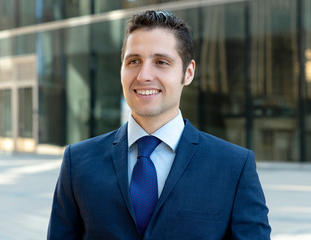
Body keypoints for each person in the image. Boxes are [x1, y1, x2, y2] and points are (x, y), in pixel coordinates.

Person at [47, 10, 271, 240]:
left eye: (161, 62)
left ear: (188, 73)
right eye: (134, 61)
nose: (144, 75)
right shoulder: (78, 162)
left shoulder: (234, 167)